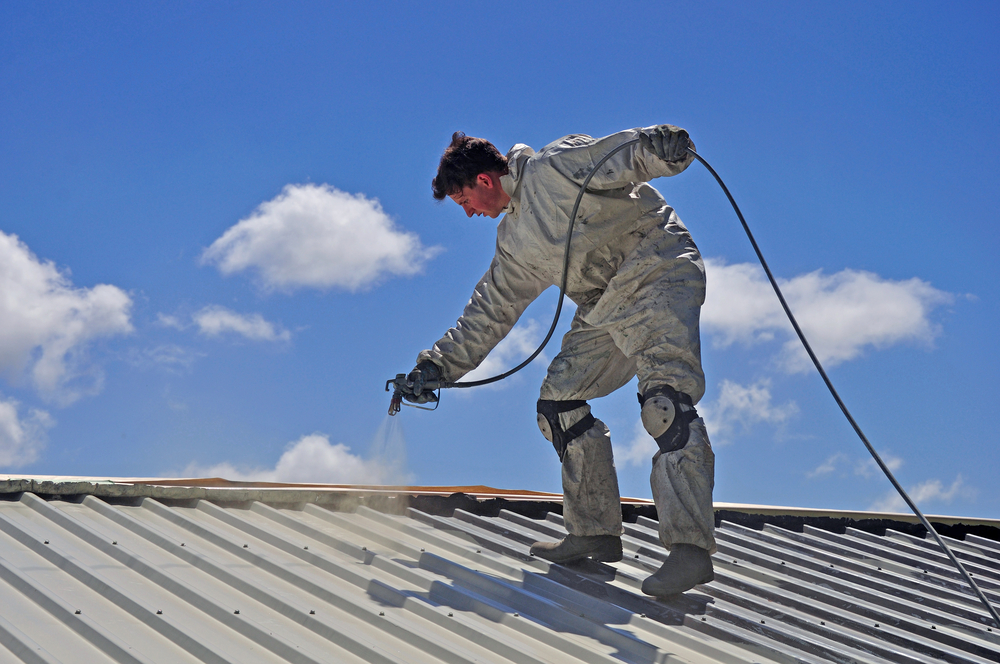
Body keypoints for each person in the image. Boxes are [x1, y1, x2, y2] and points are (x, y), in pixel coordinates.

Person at [399, 125, 716, 597]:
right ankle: (594, 531)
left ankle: (690, 550)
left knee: (664, 404)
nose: (467, 212)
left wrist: (662, 147)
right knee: (559, 406)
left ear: (485, 181)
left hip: (656, 272)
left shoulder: (555, 169)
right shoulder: (514, 243)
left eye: (464, 199)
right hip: (604, 306)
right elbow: (490, 311)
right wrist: (437, 367)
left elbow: (622, 156)